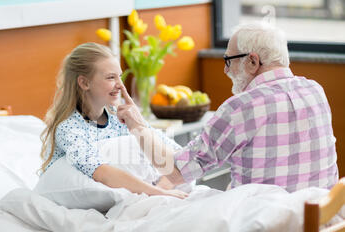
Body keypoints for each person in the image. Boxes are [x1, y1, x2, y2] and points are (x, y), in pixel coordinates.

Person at [117, 21, 339, 192]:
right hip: (321, 223)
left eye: (228, 61)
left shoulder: (241, 108)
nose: (226, 70)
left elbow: (174, 172)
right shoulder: (314, 91)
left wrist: (138, 125)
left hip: (265, 228)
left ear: (252, 61)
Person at [39, 42, 187, 199]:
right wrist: (159, 193)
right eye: (111, 77)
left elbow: (176, 156)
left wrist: (139, 124)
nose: (121, 86)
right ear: (84, 83)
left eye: (120, 77)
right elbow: (102, 173)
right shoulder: (69, 128)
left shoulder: (118, 116)